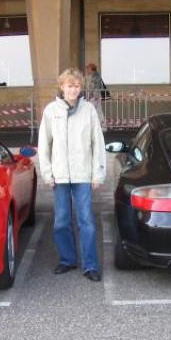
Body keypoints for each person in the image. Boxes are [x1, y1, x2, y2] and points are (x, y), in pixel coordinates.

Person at [38, 68, 106, 282]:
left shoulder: (89, 110)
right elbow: (44, 144)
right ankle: (67, 259)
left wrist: (98, 174)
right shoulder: (51, 111)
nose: (74, 89)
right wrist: (48, 173)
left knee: (86, 220)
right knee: (61, 221)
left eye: (77, 85)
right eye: (70, 85)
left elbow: (97, 143)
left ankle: (90, 265)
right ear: (62, 87)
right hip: (60, 176)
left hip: (83, 175)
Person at [85, 63, 107, 132]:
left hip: (94, 97)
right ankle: (103, 127)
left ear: (91, 69)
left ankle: (92, 127)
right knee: (99, 112)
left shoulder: (94, 77)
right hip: (96, 96)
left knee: (90, 111)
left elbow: (92, 88)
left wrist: (89, 96)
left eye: (88, 68)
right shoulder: (97, 76)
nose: (87, 70)